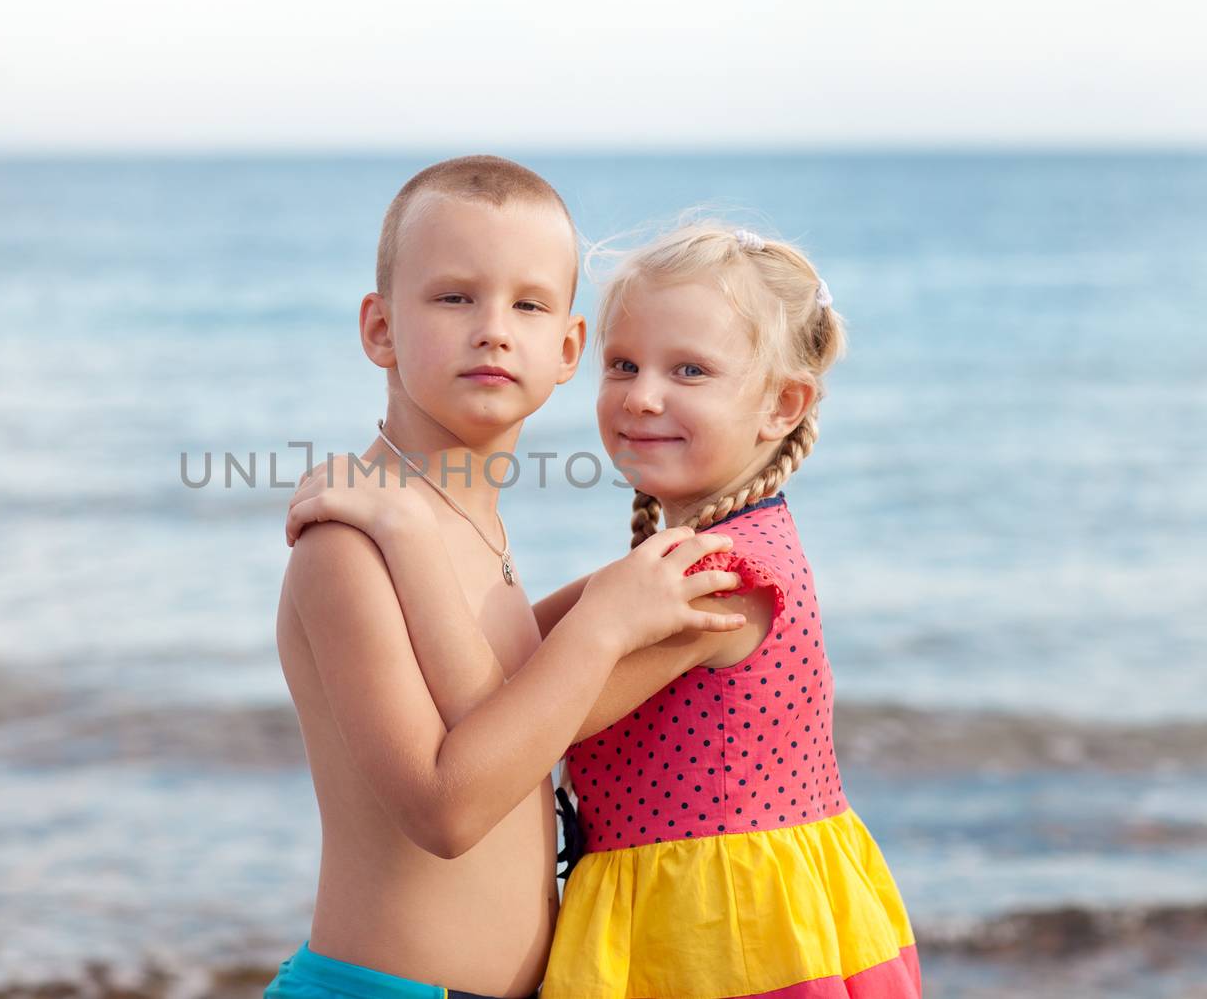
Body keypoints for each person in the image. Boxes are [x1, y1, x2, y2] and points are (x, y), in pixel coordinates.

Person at [287, 221, 920, 997]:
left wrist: (407, 529)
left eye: (689, 369)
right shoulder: (675, 566)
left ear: (781, 404)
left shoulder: (714, 581)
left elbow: (502, 722)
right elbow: (526, 672)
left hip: (724, 942)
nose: (642, 395)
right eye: (622, 365)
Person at [268, 161, 750, 999]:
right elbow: (447, 809)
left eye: (527, 304)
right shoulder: (351, 540)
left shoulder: (460, 526)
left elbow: (510, 707)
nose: (493, 329)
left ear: (567, 348)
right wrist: (603, 623)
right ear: (380, 330)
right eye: (454, 297)